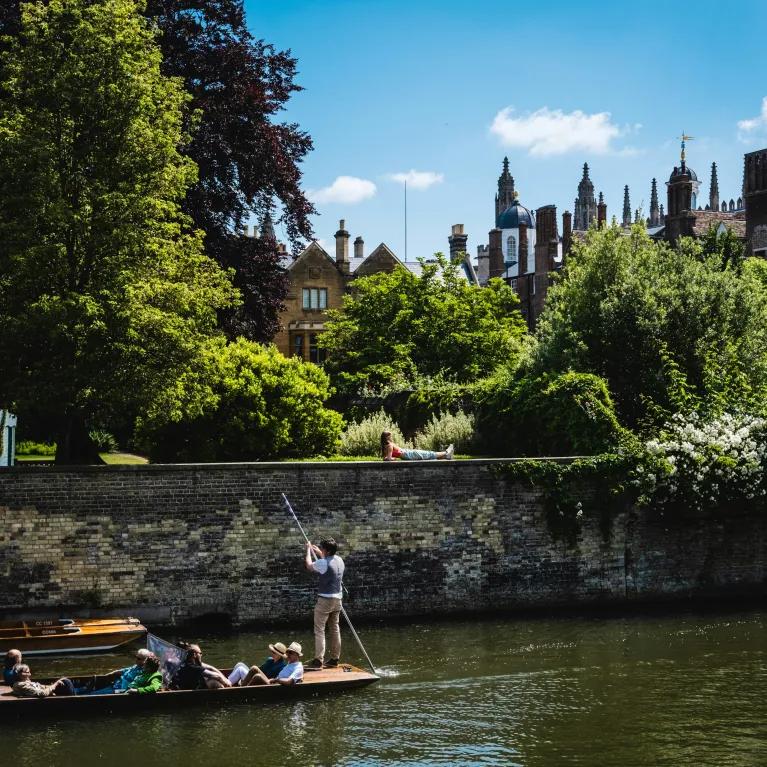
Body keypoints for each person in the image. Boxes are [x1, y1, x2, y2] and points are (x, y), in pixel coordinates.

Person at [305, 537, 345, 669]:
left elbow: (309, 566)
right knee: (335, 629)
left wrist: (308, 551)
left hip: (325, 600)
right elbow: (326, 561)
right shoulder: (339, 560)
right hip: (338, 599)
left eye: (322, 548)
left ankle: (318, 660)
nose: (320, 550)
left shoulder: (323, 563)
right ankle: (334, 659)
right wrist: (318, 552)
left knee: (319, 630)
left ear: (326, 551)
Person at [381, 431, 454, 461]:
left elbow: (385, 458)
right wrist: (393, 459)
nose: (391, 437)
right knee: (428, 454)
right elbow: (390, 458)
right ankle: (446, 452)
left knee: (428, 456)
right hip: (408, 454)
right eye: (390, 436)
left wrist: (390, 458)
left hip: (407, 454)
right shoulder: (390, 445)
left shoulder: (384, 446)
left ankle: (447, 456)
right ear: (387, 437)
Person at [11, 664, 76, 698]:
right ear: (20, 674)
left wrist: (55, 684)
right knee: (67, 683)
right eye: (27, 672)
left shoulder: (25, 682)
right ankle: (75, 699)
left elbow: (41, 686)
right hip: (45, 699)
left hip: (49, 692)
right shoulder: (21, 685)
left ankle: (81, 690)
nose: (30, 674)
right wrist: (55, 685)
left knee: (65, 681)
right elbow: (42, 694)